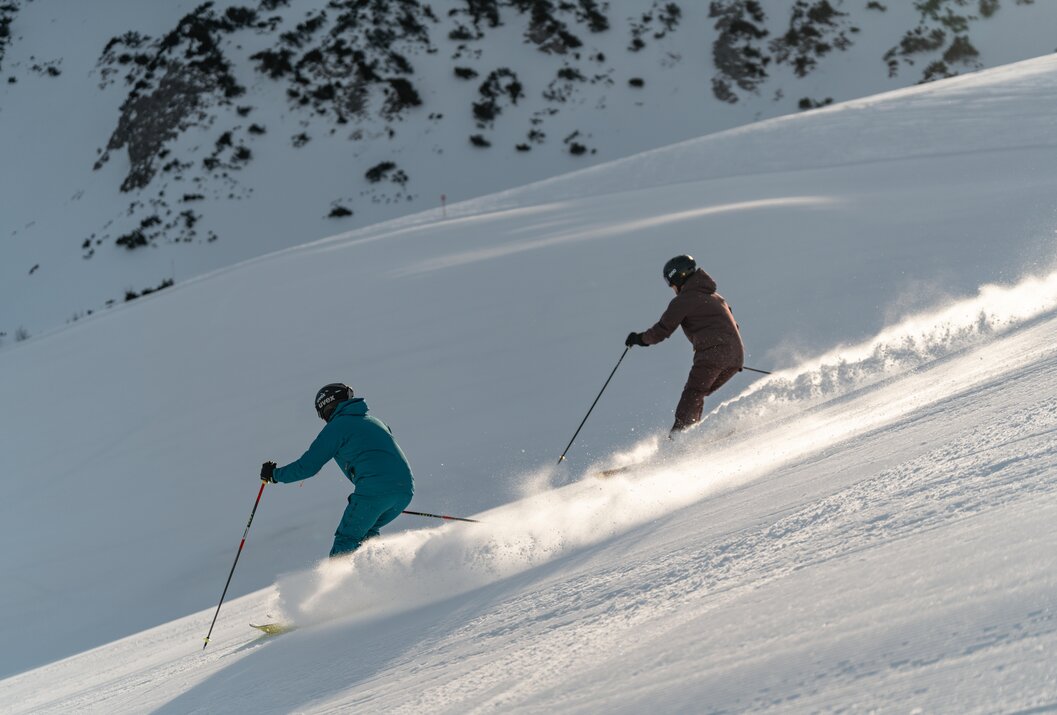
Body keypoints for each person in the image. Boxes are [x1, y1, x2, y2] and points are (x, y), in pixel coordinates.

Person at [260, 383, 415, 558]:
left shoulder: (337, 427)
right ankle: (378, 569)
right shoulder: (376, 422)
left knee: (346, 538)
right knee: (367, 533)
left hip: (375, 492)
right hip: (405, 492)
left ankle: (339, 575)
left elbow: (307, 466)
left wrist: (274, 475)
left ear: (327, 406)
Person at [625, 255, 744, 435]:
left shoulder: (684, 300)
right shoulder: (715, 296)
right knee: (698, 393)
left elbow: (662, 329)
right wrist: (728, 354)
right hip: (735, 356)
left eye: (670, 282)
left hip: (714, 353)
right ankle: (694, 434)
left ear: (678, 278)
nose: (671, 287)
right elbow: (733, 324)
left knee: (693, 393)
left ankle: (680, 438)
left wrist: (640, 339)